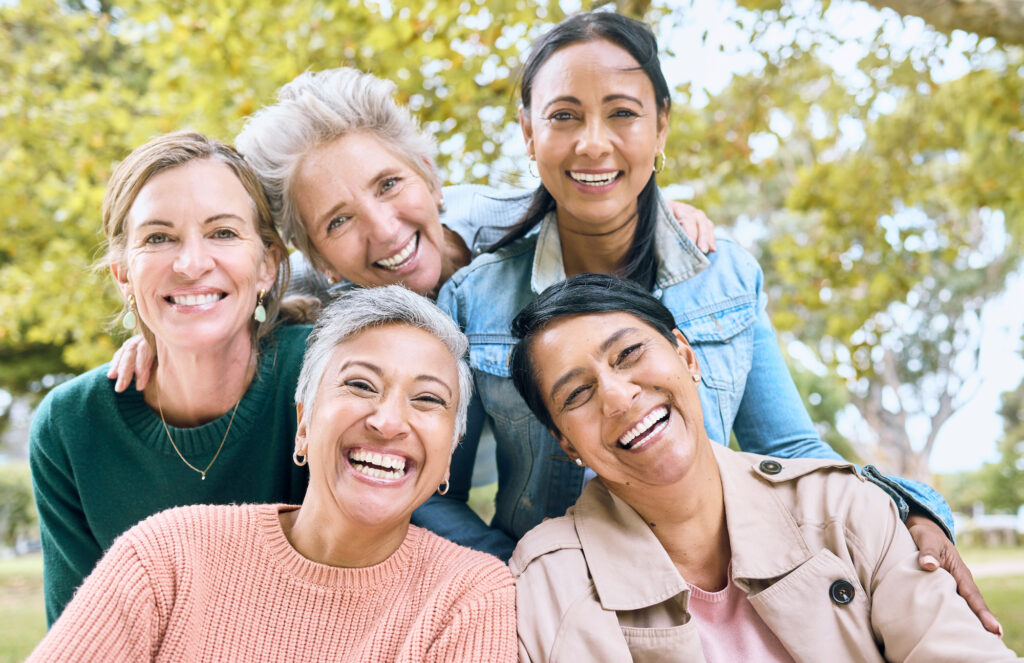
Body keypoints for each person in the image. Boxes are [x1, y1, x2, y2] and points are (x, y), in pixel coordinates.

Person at [433, 9, 998, 633]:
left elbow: (789, 449)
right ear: (528, 133)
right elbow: (438, 493)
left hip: (717, 597)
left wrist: (907, 510)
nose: (593, 142)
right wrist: (522, 586)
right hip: (566, 618)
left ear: (661, 126)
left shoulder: (725, 277)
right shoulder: (473, 298)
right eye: (564, 116)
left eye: (622, 112)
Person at [507, 273, 1017, 662]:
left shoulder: (843, 509)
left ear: (686, 356)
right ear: (565, 443)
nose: (618, 397)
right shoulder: (548, 582)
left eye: (629, 354)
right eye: (577, 393)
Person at [107, 66, 715, 388]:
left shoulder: (523, 218)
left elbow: (605, 191)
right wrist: (162, 338)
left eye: (390, 184)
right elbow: (224, 301)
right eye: (338, 220)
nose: (384, 229)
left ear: (427, 174)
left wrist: (661, 213)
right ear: (315, 256)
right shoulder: (316, 301)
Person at [28, 286, 517, 662]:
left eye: (428, 399)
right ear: (303, 423)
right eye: (361, 385)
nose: (388, 421)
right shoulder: (168, 555)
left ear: (450, 455)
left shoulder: (470, 597)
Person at [29, 132, 311, 625]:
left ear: (267, 263)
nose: (191, 264)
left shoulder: (321, 374)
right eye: (158, 238)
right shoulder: (71, 427)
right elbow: (84, 642)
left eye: (222, 233)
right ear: (123, 275)